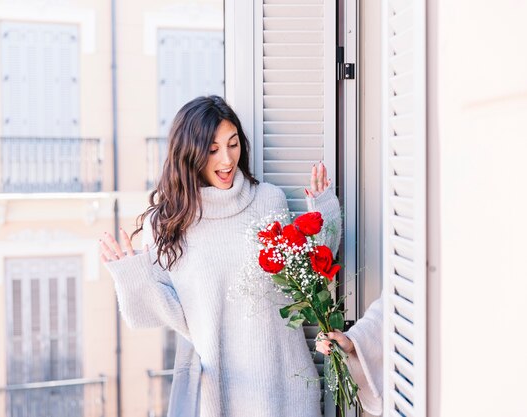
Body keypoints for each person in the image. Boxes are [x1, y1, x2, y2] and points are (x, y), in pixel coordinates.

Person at [99, 95, 374, 417]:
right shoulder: (165, 223)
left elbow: (307, 273)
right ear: (189, 154)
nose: (227, 160)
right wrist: (133, 276)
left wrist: (324, 210)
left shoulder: (268, 200)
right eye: (213, 150)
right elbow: (166, 316)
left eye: (233, 145)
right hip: (222, 393)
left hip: (288, 383)